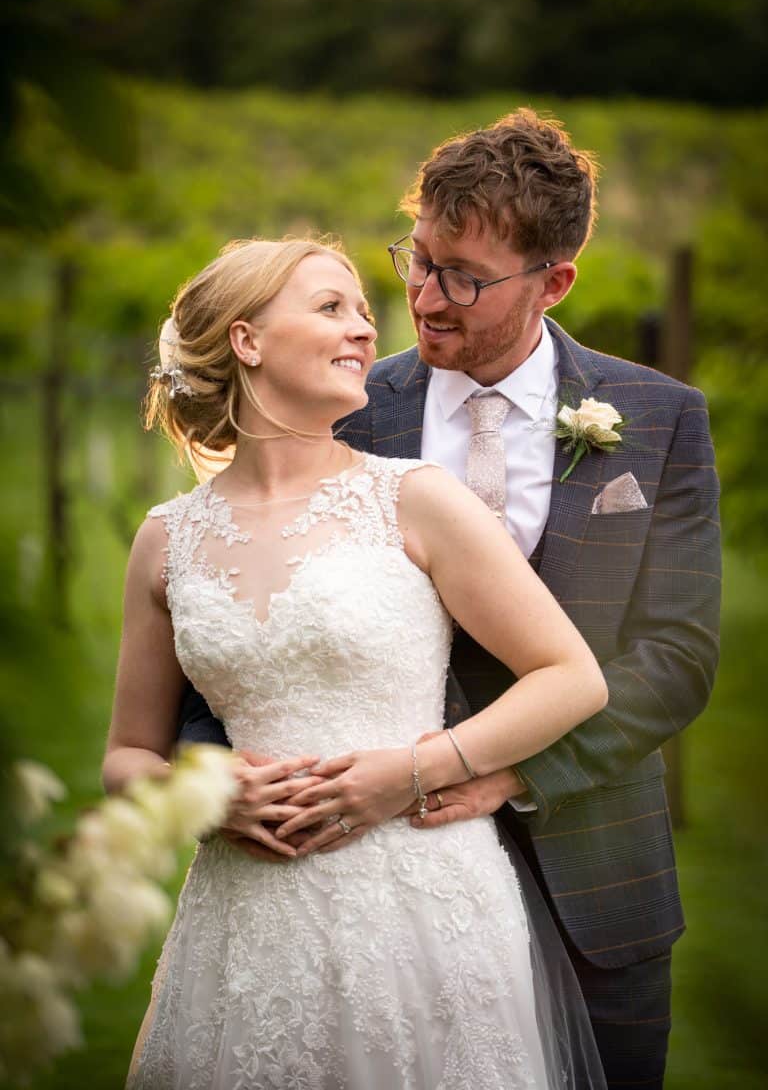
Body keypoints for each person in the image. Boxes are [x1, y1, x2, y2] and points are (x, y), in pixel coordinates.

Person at [181, 111, 721, 1090]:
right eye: (416, 259)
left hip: (593, 877)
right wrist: (216, 780)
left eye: (462, 277)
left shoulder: (657, 420)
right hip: (358, 877)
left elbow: (677, 656)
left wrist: (498, 772)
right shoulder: (339, 404)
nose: (423, 299)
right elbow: (235, 610)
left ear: (553, 280)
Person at [106, 236, 610, 1089]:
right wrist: (205, 793)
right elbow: (125, 758)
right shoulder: (166, 538)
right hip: (245, 916)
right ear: (246, 341)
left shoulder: (413, 498)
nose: (366, 332)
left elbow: (572, 676)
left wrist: (415, 770)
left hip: (421, 900)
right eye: (331, 307)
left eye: (366, 314)